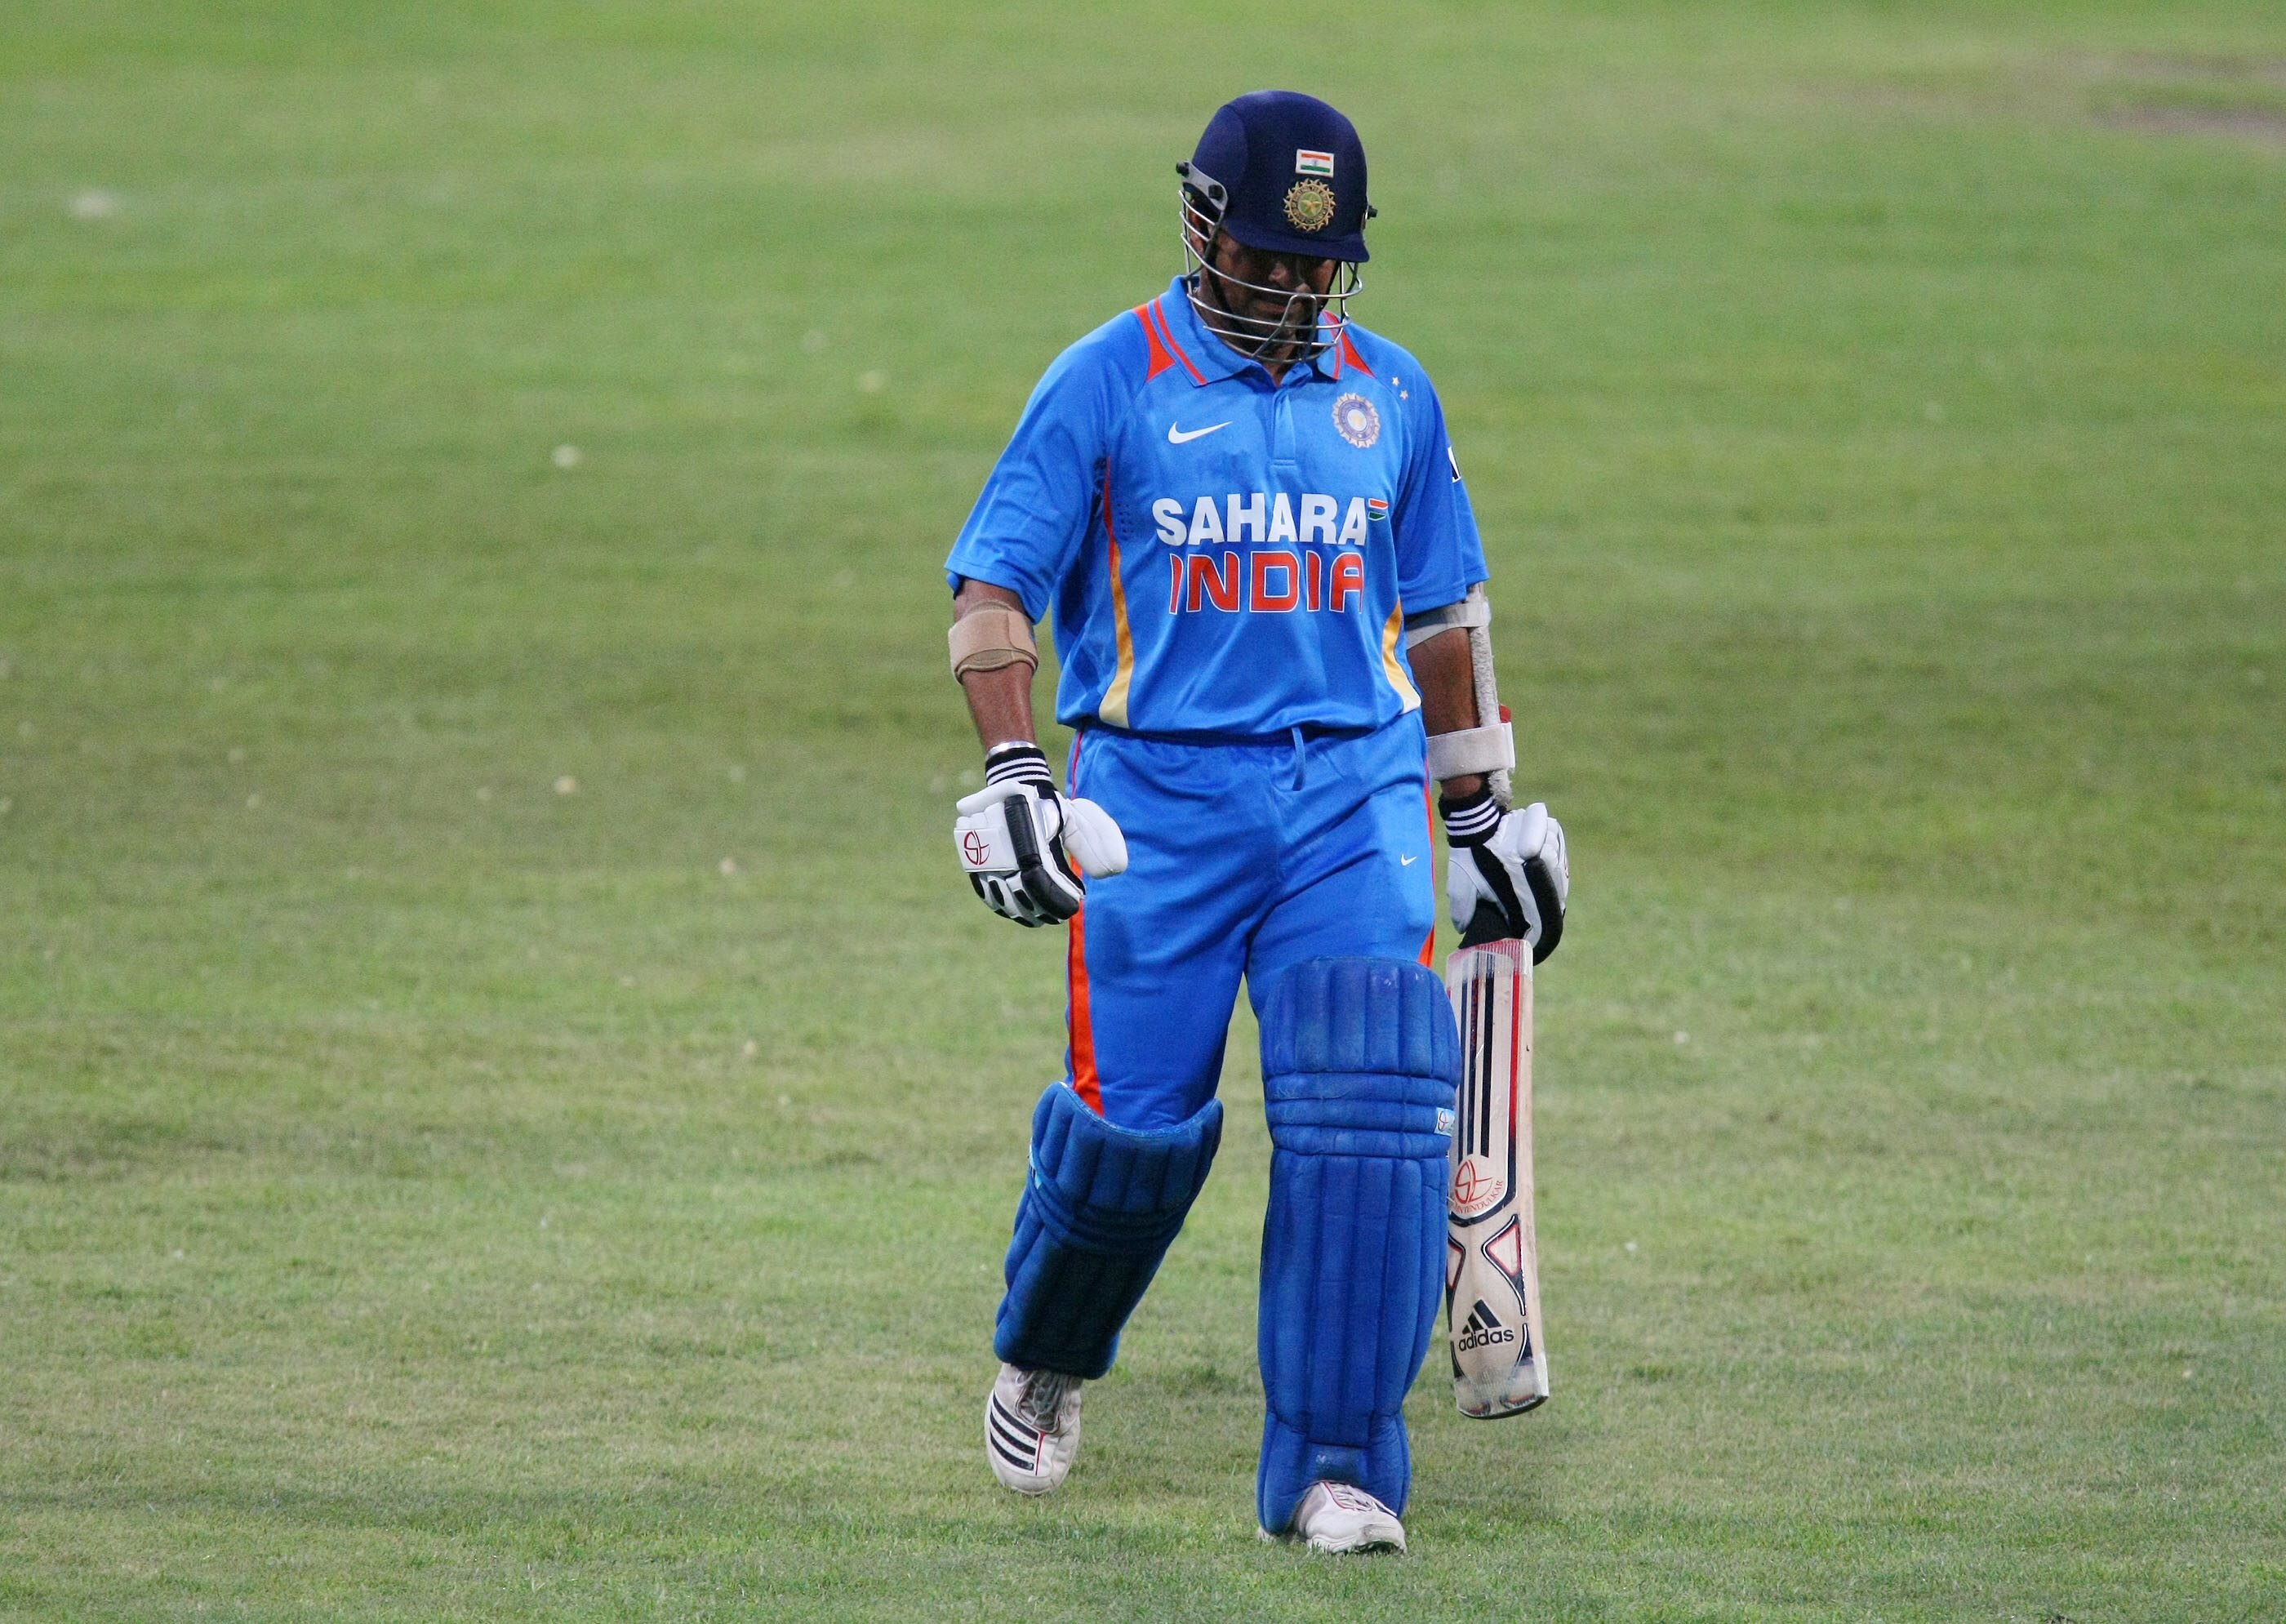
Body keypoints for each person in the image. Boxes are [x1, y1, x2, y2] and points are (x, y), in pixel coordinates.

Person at [941, 90, 1568, 1555]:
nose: (1290, 290)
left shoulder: (1392, 393)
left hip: (1351, 794)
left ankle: (1337, 1468)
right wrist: (1019, 772)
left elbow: (1443, 613)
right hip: (1153, 800)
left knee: (1370, 1115)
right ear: (1201, 228)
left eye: (1318, 266)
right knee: (1135, 1139)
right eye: (1265, 260)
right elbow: (992, 593)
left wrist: (1479, 810)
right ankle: (1050, 1347)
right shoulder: (1109, 380)